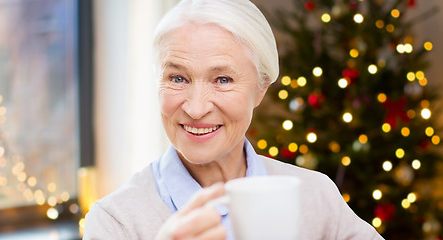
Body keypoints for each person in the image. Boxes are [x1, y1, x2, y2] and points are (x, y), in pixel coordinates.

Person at [83, 0, 384, 239]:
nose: (196, 108)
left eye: (223, 79)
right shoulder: (114, 222)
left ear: (260, 89)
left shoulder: (315, 196)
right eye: (177, 78)